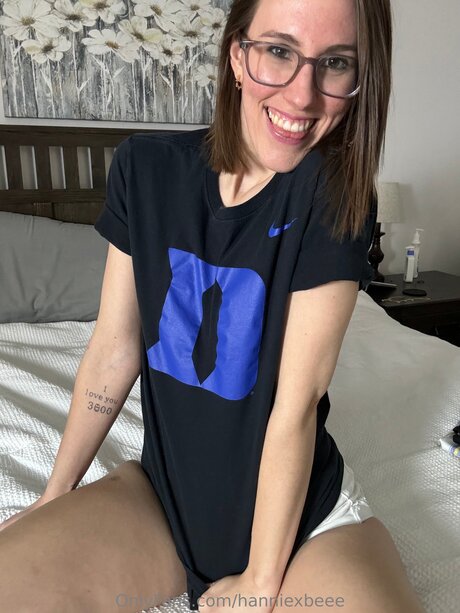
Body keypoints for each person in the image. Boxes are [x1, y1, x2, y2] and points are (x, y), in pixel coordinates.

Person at [0, 0, 425, 611]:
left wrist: (260, 582)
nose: (302, 95)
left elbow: (295, 406)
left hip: (304, 526)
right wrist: (54, 495)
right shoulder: (146, 170)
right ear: (237, 56)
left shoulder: (336, 197)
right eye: (278, 51)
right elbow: (115, 349)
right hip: (162, 501)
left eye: (335, 63)